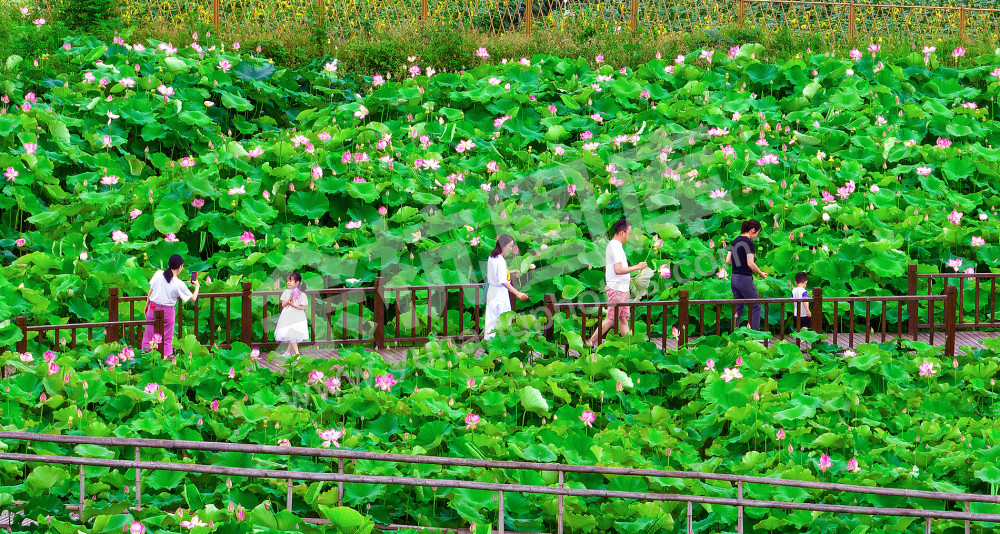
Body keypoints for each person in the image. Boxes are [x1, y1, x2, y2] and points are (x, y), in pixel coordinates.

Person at [587, 219, 647, 347]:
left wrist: (627, 278)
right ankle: (590, 343)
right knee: (611, 319)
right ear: (621, 232)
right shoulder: (615, 247)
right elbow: (618, 269)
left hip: (621, 288)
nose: (629, 236)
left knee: (624, 318)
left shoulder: (615, 246)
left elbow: (612, 269)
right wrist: (637, 267)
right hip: (617, 289)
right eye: (629, 233)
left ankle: (630, 347)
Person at [141, 254, 199, 358]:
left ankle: (146, 357)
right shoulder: (179, 284)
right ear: (180, 267)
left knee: (149, 333)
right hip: (167, 311)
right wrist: (197, 286)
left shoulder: (158, 274)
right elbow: (193, 298)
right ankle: (164, 358)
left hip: (153, 307)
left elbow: (151, 291)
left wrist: (147, 305)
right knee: (167, 336)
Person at [484, 235, 529, 340]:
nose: (510, 249)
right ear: (503, 246)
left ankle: (489, 343)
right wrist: (517, 293)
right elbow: (503, 281)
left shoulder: (492, 257)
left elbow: (496, 273)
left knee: (491, 319)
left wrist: (510, 272)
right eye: (509, 246)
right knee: (502, 319)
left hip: (492, 291)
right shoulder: (500, 260)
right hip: (500, 293)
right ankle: (500, 344)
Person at [725, 219, 768, 330]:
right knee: (756, 305)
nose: (756, 236)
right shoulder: (749, 243)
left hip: (734, 278)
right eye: (757, 233)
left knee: (737, 307)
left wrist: (739, 264)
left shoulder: (735, 241)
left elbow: (728, 260)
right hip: (744, 278)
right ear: (753, 230)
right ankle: (755, 334)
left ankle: (734, 334)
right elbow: (750, 263)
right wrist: (760, 273)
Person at [275, 271, 309, 357]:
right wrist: (289, 299)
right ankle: (292, 353)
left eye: (290, 281)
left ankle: (293, 353)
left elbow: (302, 307)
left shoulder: (301, 294)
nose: (288, 282)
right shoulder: (286, 292)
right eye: (287, 281)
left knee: (293, 334)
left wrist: (293, 305)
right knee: (291, 334)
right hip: (287, 315)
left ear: (297, 282)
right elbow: (283, 305)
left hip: (298, 315)